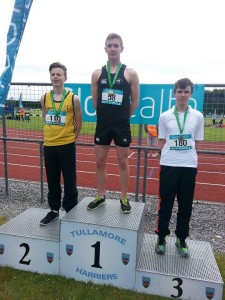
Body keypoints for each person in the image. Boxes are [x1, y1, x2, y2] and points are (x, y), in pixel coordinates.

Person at [87, 33, 139, 213]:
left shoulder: (130, 73)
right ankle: (100, 196)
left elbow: (135, 102)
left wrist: (123, 116)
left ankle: (124, 198)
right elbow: (95, 102)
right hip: (103, 124)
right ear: (105, 49)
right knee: (100, 161)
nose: (113, 48)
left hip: (121, 125)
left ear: (121, 49)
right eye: (109, 45)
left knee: (122, 161)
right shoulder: (96, 73)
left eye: (116, 45)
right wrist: (106, 115)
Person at [155, 78, 204, 257]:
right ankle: (161, 236)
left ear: (190, 94)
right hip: (169, 165)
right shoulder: (165, 116)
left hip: (188, 166)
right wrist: (165, 158)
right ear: (174, 93)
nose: (182, 95)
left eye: (186, 92)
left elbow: (196, 142)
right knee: (165, 203)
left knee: (185, 205)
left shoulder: (198, 116)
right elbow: (161, 141)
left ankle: (181, 239)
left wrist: (189, 159)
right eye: (179, 91)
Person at [40, 62, 82, 226]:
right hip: (49, 145)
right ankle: (54, 210)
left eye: (59, 74)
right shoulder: (44, 98)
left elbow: (79, 122)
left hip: (67, 145)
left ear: (65, 77)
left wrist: (71, 138)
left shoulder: (73, 98)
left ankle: (71, 210)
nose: (56, 77)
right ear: (50, 77)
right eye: (53, 74)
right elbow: (45, 118)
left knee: (70, 179)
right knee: (52, 179)